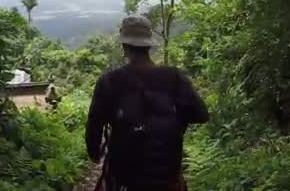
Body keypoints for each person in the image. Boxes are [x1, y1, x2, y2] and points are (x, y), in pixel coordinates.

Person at [85, 16, 209, 191]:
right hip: (167, 176)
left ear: (124, 46)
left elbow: (94, 127)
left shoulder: (109, 82)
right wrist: (173, 124)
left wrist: (95, 154)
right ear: (148, 45)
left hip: (125, 177)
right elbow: (201, 115)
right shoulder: (174, 77)